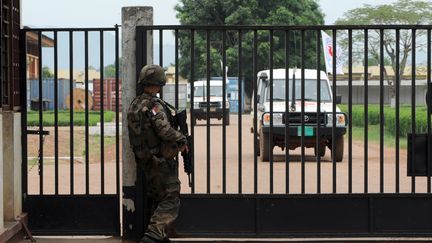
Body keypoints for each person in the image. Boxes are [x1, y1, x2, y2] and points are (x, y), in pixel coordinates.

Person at [127, 64, 188, 243]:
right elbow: (165, 131)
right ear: (159, 82)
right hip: (159, 159)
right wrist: (182, 139)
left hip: (144, 158)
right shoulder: (153, 105)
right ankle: (154, 234)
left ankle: (158, 236)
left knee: (157, 196)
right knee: (171, 197)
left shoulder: (136, 103)